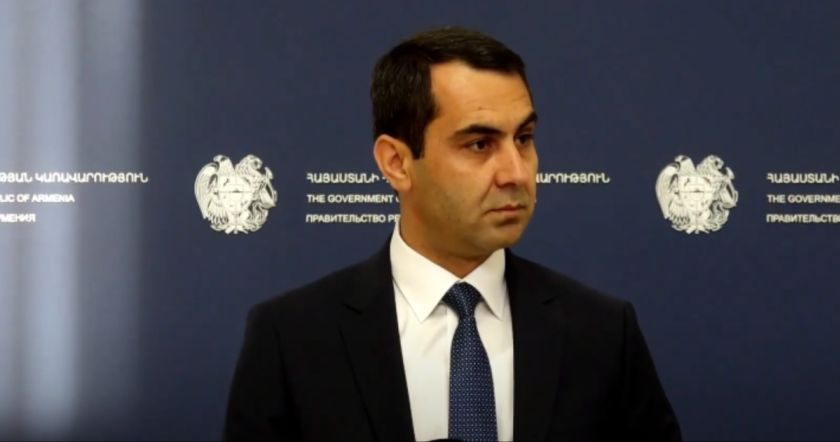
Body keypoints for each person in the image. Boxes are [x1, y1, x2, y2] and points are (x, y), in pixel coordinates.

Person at [224, 27, 682, 442]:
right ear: (397, 163)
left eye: (524, 138)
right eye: (479, 144)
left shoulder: (603, 332)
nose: (516, 172)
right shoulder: (290, 337)